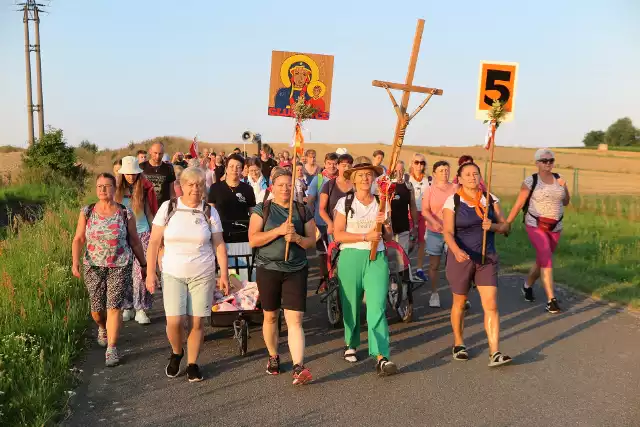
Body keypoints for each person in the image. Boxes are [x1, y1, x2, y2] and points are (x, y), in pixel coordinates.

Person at [145, 167, 229, 382]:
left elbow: (219, 243)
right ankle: (176, 352)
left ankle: (192, 363)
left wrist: (224, 274)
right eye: (190, 184)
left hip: (203, 272)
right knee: (174, 321)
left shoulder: (209, 212)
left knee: (197, 322)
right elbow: (154, 242)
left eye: (199, 184)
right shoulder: (169, 207)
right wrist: (150, 273)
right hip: (172, 272)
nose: (195, 189)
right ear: (181, 187)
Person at [248, 167, 316, 385]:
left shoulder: (302, 210)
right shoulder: (262, 209)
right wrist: (277, 231)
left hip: (296, 269)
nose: (285, 189)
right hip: (268, 268)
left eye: (289, 185)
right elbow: (253, 240)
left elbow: (311, 242)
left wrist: (296, 238)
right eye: (281, 185)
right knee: (271, 316)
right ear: (272, 187)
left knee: (295, 320)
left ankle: (298, 366)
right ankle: (273, 356)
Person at [72, 173, 147, 367]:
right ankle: (102, 327)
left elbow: (135, 241)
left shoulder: (125, 212)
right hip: (93, 266)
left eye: (107, 186)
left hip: (120, 265)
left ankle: (112, 348)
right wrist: (75, 262)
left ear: (114, 189)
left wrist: (144, 264)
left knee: (114, 306)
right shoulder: (87, 211)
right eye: (100, 186)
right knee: (97, 310)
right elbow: (79, 238)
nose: (103, 190)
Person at [333, 156, 398, 375]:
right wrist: (365, 235)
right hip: (351, 256)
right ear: (352, 178)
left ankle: (381, 355)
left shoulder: (382, 201)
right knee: (350, 304)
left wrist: (385, 224)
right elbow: (338, 234)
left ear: (374, 178)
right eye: (360, 175)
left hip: (376, 258)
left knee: (377, 306)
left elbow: (388, 236)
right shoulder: (345, 202)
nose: (364, 178)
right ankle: (351, 343)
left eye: (368, 174)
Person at [443, 162, 512, 367]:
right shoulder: (453, 201)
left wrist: (494, 226)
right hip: (461, 259)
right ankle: (459, 343)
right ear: (460, 179)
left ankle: (495, 352)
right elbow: (447, 231)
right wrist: (456, 251)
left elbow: (506, 227)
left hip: (486, 259)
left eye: (476, 173)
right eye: (468, 174)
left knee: (491, 304)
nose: (473, 177)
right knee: (460, 304)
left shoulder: (490, 199)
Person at [505, 148, 570, 314]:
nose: (548, 163)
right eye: (544, 160)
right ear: (537, 163)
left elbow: (566, 202)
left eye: (551, 160)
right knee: (546, 258)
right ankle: (551, 300)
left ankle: (527, 286)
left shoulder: (559, 179)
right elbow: (519, 203)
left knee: (542, 260)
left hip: (556, 226)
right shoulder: (530, 181)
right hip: (535, 225)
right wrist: (507, 223)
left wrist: (565, 187)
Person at [115, 156, 159, 324]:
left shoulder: (145, 188)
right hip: (122, 236)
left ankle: (141, 308)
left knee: (141, 272)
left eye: (134, 173)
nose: (131, 176)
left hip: (142, 233)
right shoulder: (116, 190)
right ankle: (127, 306)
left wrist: (155, 233)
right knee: (124, 272)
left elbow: (149, 212)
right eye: (128, 173)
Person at [208, 154, 256, 280]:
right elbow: (210, 212)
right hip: (220, 235)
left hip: (243, 236)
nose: (235, 169)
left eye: (238, 167)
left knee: (244, 273)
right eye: (231, 166)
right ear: (226, 168)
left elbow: (253, 214)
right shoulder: (215, 188)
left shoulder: (248, 189)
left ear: (242, 169)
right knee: (223, 272)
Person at [421, 160, 457, 308]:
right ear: (434, 173)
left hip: (452, 232)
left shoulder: (456, 188)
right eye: (441, 170)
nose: (444, 173)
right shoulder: (429, 190)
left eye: (447, 170)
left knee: (455, 265)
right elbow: (425, 211)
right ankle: (434, 293)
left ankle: (459, 295)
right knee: (434, 265)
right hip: (434, 232)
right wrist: (433, 222)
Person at [306, 153, 339, 286]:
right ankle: (324, 280)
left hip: (338, 224)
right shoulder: (318, 179)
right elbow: (310, 201)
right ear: (325, 164)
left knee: (337, 253)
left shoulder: (342, 179)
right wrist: (310, 221)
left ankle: (336, 280)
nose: (332, 166)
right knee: (323, 254)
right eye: (329, 163)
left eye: (334, 163)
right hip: (320, 223)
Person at [389, 160, 419, 282]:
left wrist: (415, 226)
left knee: (402, 257)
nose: (399, 173)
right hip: (389, 229)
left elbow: (412, 206)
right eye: (397, 170)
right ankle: (392, 286)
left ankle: (404, 286)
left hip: (403, 227)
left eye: (401, 170)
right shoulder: (387, 186)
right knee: (391, 258)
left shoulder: (408, 186)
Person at [319, 153, 353, 242]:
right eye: (343, 165)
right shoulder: (329, 185)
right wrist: (330, 224)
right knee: (335, 254)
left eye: (349, 166)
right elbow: (322, 209)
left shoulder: (356, 185)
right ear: (338, 166)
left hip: (353, 228)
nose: (346, 168)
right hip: (335, 228)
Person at [408, 153, 431, 281]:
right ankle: (404, 265)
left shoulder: (428, 180)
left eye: (422, 163)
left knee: (422, 241)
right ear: (412, 163)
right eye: (416, 162)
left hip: (424, 213)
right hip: (410, 213)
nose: (419, 165)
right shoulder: (407, 179)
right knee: (410, 241)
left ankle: (420, 269)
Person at [140, 142, 176, 206]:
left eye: (160, 154)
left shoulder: (169, 168)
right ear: (150, 151)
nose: (157, 156)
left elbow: (172, 191)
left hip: (163, 207)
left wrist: (173, 205)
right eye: (155, 153)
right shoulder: (141, 167)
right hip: (146, 206)